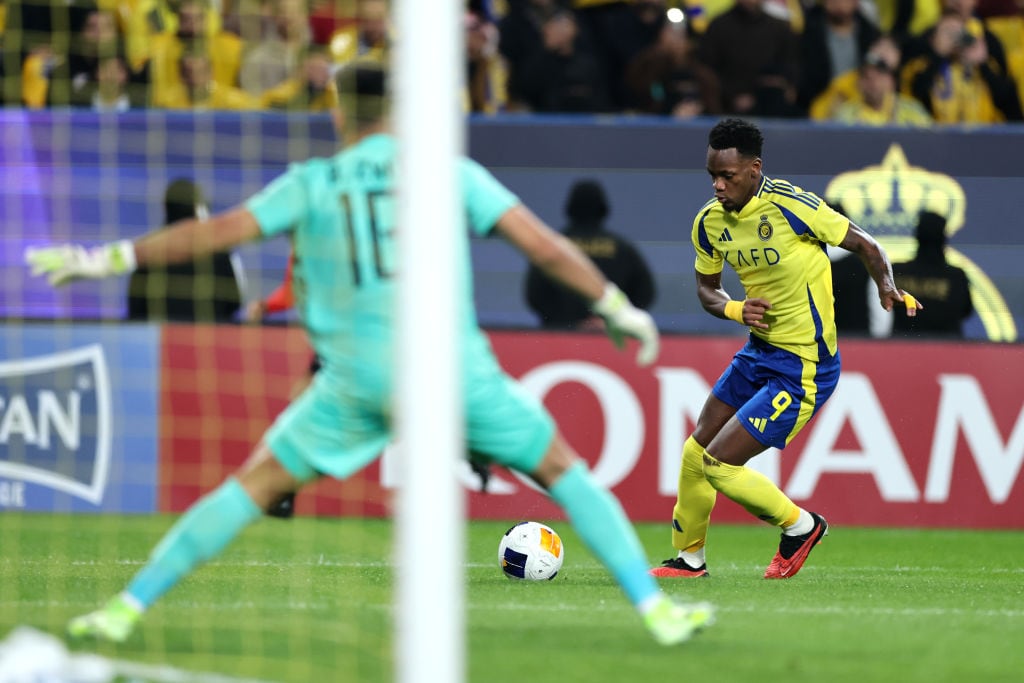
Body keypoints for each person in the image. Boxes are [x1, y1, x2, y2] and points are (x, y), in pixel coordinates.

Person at [26, 62, 714, 646]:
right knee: (565, 471)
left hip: (356, 376)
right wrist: (615, 304)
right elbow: (542, 245)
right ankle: (656, 610)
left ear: (337, 112)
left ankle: (125, 608)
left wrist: (105, 257)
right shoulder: (452, 173)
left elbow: (217, 233)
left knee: (252, 486)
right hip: (451, 368)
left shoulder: (314, 181)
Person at [651, 118, 921, 580]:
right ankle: (688, 560)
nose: (718, 186)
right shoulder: (709, 223)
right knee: (695, 453)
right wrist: (736, 310)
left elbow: (867, 245)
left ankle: (801, 526)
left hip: (804, 366)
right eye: (712, 175)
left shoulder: (793, 206)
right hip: (758, 352)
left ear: (754, 169)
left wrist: (887, 287)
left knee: (719, 464)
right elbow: (707, 290)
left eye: (728, 176)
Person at [525, 179, 656, 330]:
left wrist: (565, 322)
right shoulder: (622, 248)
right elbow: (645, 292)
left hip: (561, 340)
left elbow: (534, 294)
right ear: (603, 208)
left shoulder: (553, 247)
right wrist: (616, 319)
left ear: (570, 207)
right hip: (614, 339)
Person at [126, 178, 244, 323]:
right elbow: (234, 303)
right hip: (210, 339)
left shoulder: (149, 250)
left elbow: (136, 308)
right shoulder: (218, 251)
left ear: (164, 208)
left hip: (159, 340)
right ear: (197, 208)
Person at [891, 210, 973, 338]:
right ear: (943, 238)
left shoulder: (897, 272)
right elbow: (965, 312)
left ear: (917, 236)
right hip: (947, 351)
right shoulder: (956, 277)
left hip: (902, 350)